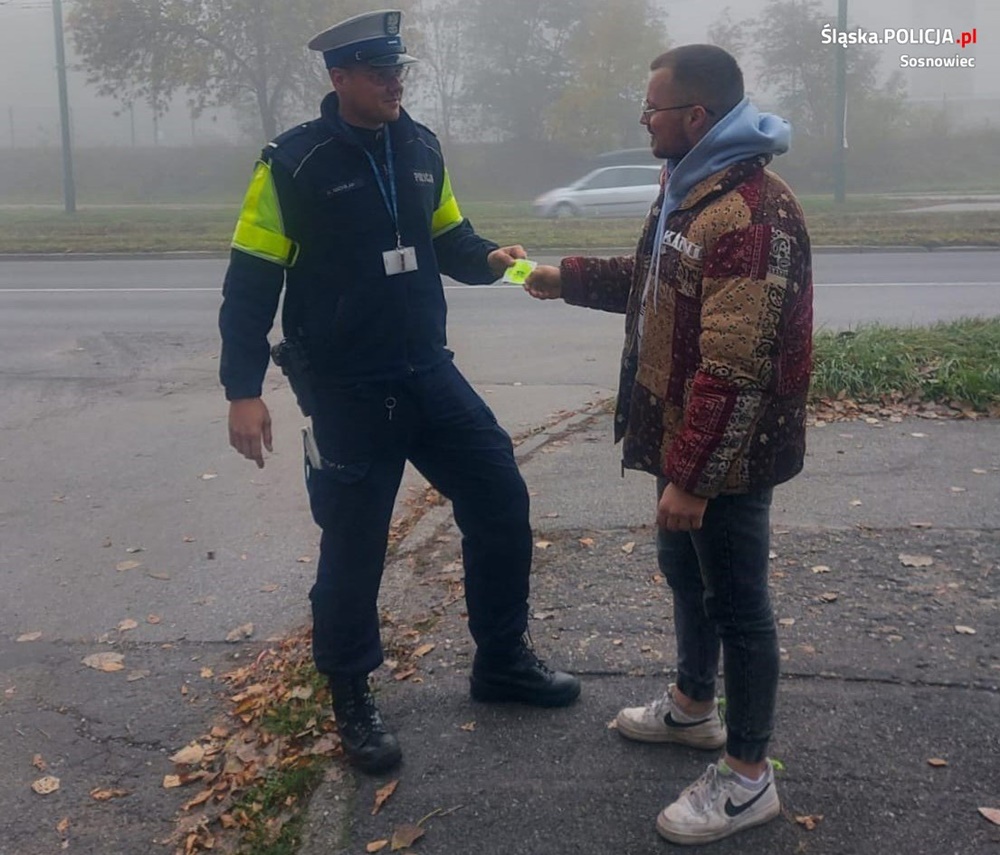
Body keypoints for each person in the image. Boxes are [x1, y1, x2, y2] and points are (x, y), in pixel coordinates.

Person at [218, 9, 580, 776]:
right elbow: (250, 283)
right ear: (338, 77)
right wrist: (242, 389)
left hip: (427, 371)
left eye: (400, 70)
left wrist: (508, 267)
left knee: (499, 496)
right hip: (348, 391)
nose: (395, 82)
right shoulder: (292, 163)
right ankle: (351, 695)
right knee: (352, 549)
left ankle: (502, 661)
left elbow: (453, 242)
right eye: (379, 72)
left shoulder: (421, 147)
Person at [524, 44, 812, 845]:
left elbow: (735, 365)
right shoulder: (690, 188)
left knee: (739, 606)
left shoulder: (749, 213)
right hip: (682, 436)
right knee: (685, 573)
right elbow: (651, 281)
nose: (644, 119)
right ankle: (693, 706)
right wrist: (559, 277)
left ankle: (749, 777)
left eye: (652, 107)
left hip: (727, 452)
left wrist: (691, 477)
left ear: (695, 116)